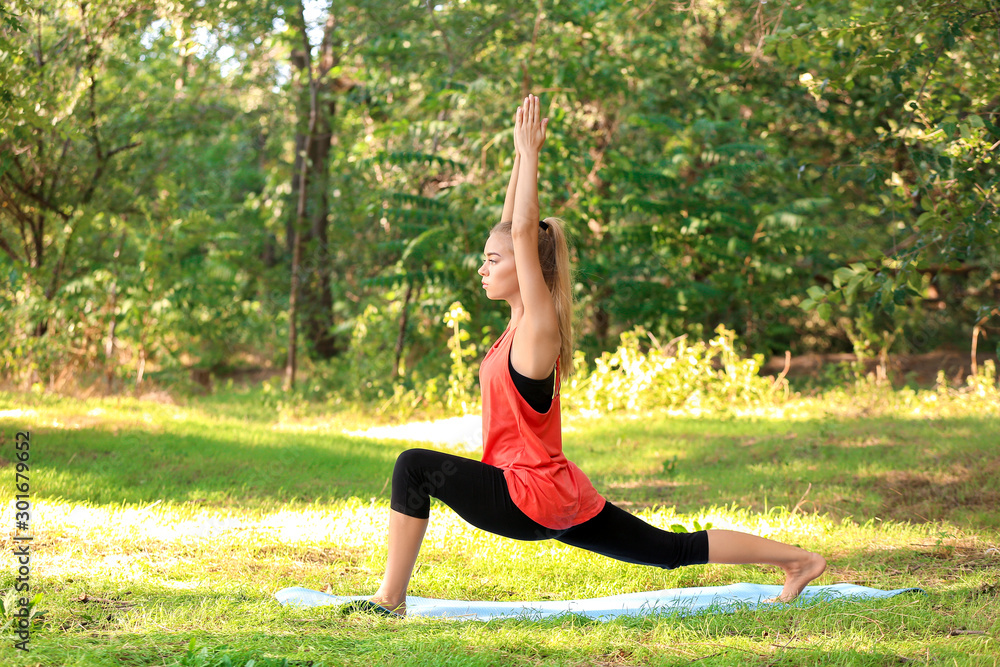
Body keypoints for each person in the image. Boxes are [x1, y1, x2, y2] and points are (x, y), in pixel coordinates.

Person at [346, 94, 826, 618]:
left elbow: (522, 234)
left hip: (525, 497)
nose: (482, 269)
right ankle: (799, 561)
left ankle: (390, 600)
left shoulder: (538, 325)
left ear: (525, 267)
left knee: (412, 467)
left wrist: (531, 156)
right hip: (553, 495)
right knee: (670, 551)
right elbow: (513, 227)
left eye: (491, 261)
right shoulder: (517, 322)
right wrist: (517, 157)